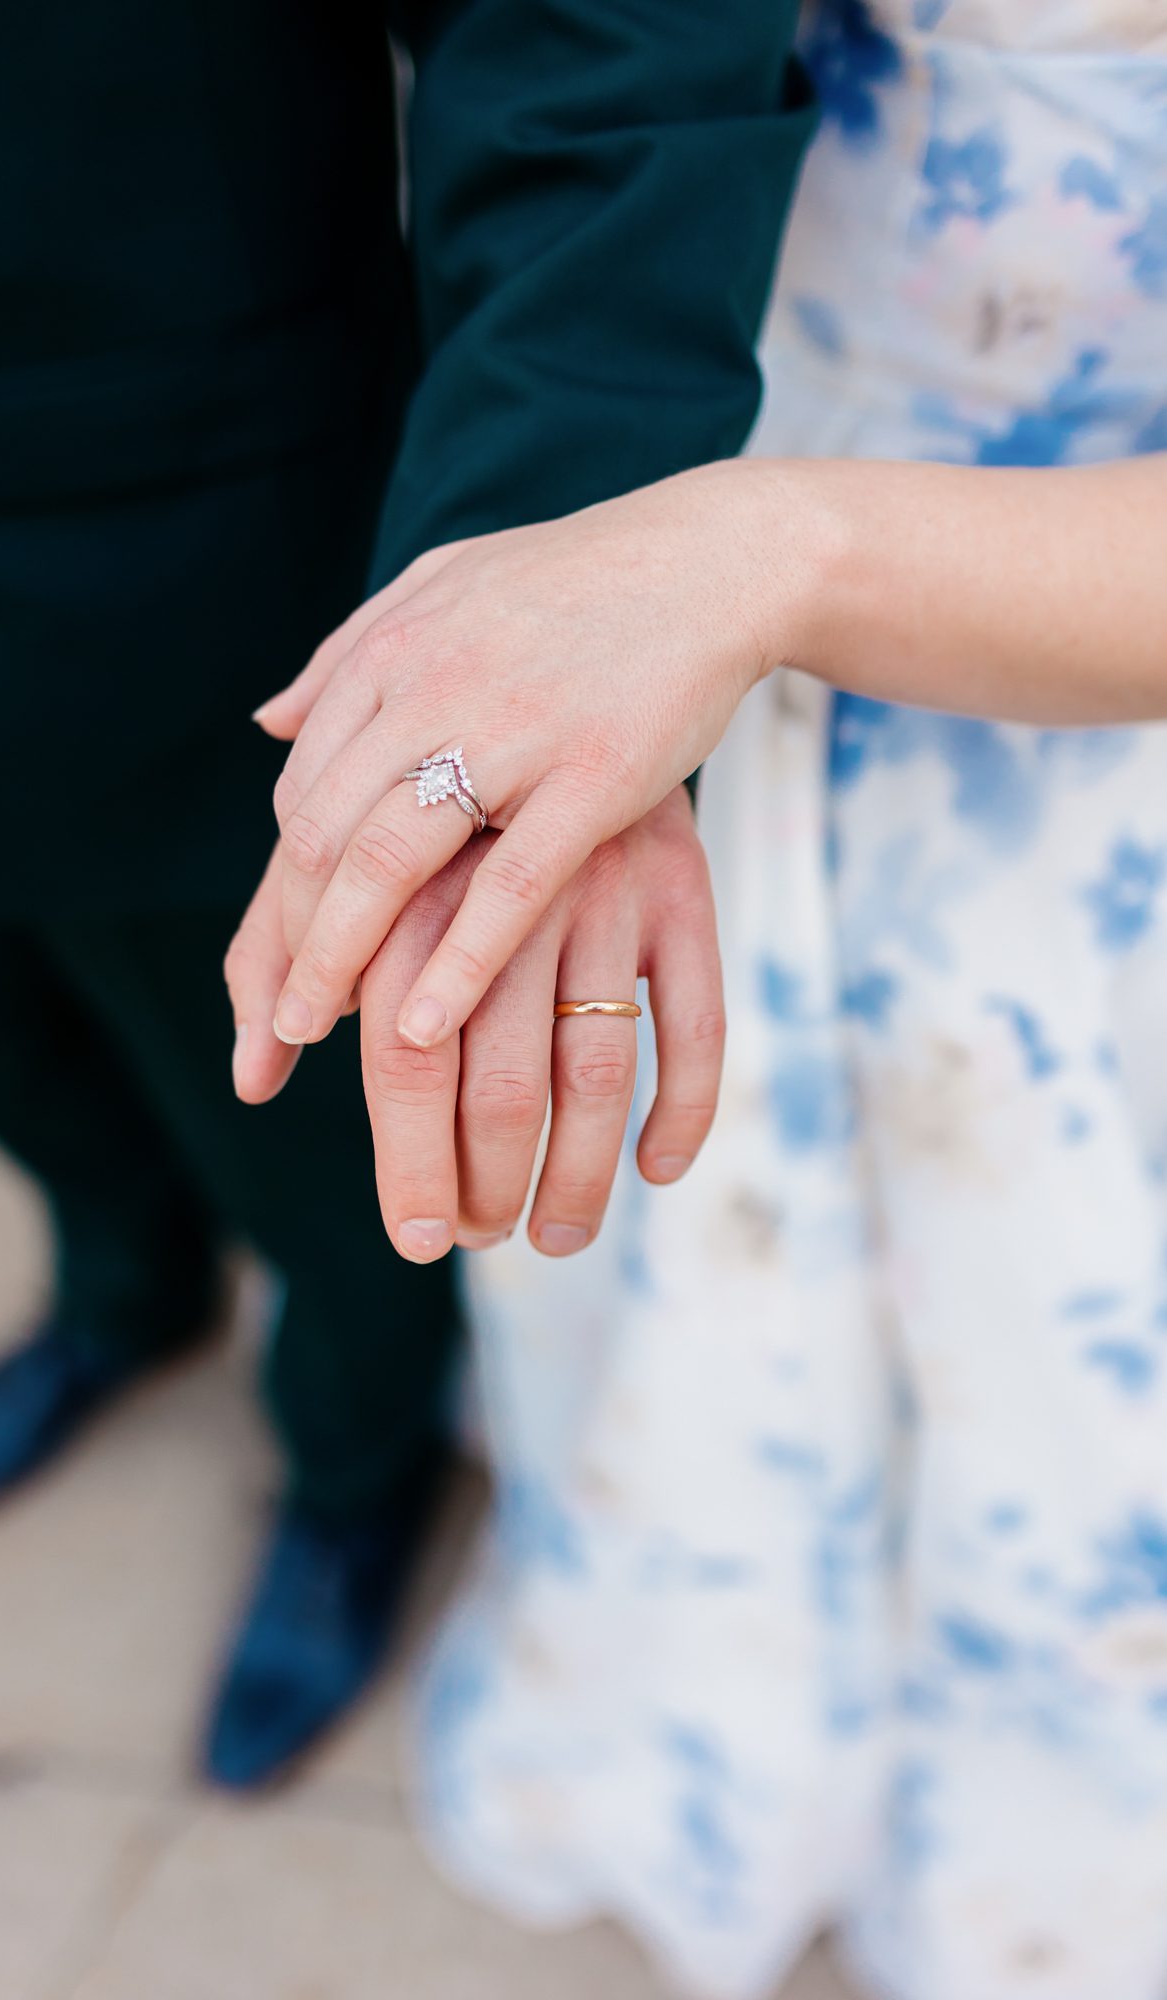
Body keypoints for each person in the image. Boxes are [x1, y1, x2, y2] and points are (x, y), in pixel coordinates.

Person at [238, 0, 1167, 1991]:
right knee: (692, 1281)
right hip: (669, 622)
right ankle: (738, 1761)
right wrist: (554, 602)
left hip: (1078, 750)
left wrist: (755, 557)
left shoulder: (754, 559)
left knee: (1065, 1352)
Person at [0, 3, 813, 1789]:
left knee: (315, 1107)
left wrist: (550, 618)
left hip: (170, 525)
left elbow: (591, 50)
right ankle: (121, 1292)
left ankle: (355, 1470)